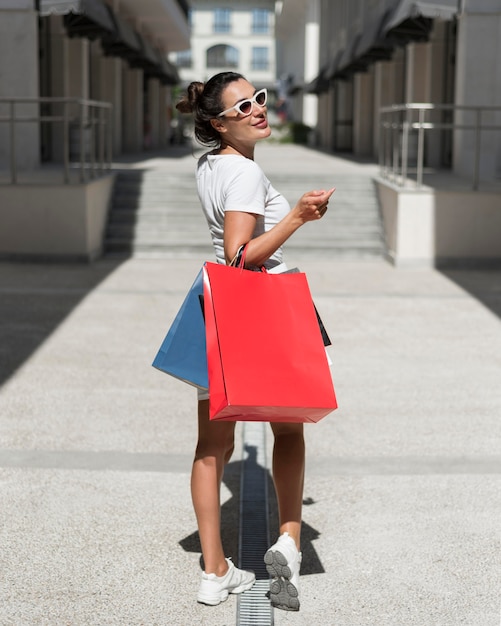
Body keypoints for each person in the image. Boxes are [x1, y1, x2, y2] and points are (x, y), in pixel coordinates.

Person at [176, 71, 334, 612]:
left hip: (213, 308)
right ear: (219, 121)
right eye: (243, 106)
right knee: (288, 431)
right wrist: (297, 216)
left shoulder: (210, 164)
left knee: (211, 446)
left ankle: (214, 572)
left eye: (259, 99)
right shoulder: (242, 171)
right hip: (260, 306)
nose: (258, 109)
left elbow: (223, 250)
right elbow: (241, 257)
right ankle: (288, 539)